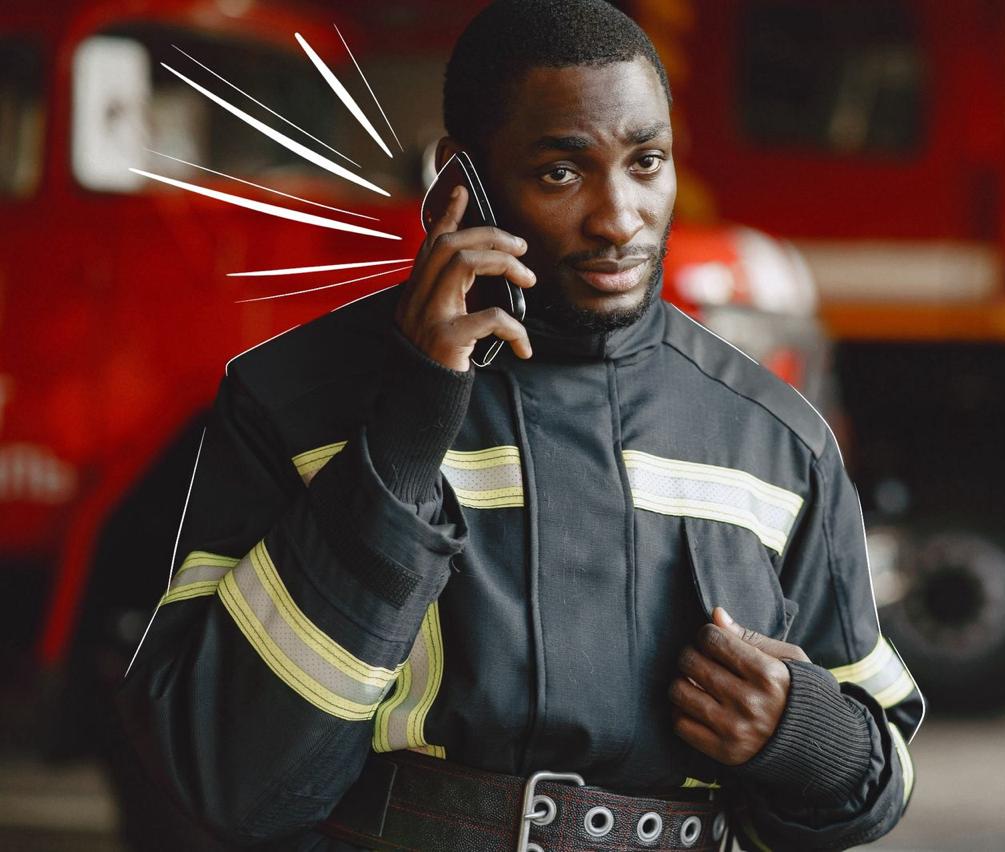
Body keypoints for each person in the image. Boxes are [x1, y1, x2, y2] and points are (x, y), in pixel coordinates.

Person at [119, 1, 924, 849]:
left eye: (646, 162)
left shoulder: (775, 439)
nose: (620, 218)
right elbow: (223, 776)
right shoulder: (291, 401)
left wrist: (806, 738)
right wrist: (404, 441)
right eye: (561, 173)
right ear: (456, 181)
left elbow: (882, 770)